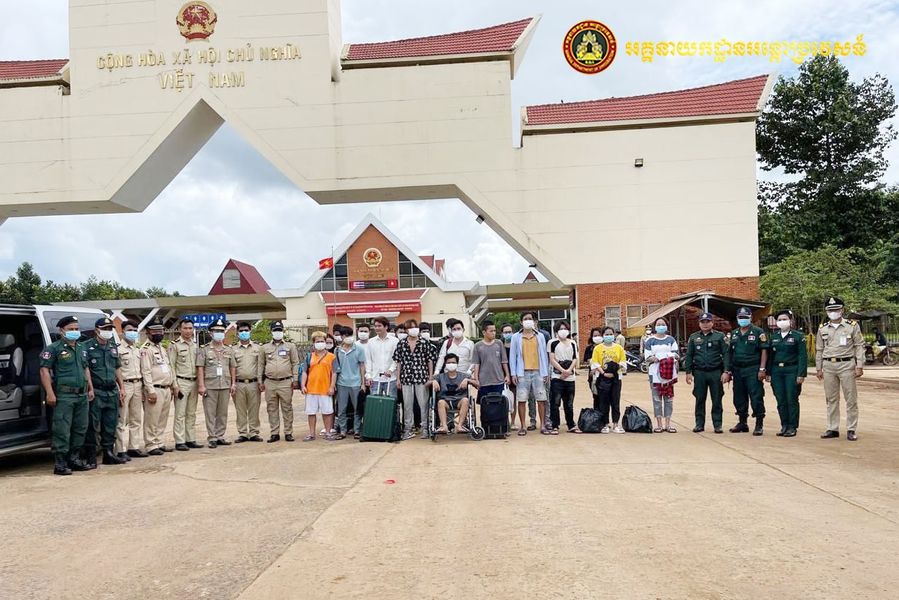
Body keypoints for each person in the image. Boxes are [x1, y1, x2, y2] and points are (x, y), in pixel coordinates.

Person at [39, 315, 94, 475]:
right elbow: (44, 371)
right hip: (64, 396)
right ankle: (60, 463)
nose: (75, 332)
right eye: (71, 329)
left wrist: (90, 388)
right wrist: (50, 393)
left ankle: (74, 459)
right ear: (61, 330)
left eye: (77, 329)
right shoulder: (53, 349)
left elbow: (86, 369)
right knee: (62, 430)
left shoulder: (81, 348)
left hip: (82, 395)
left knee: (80, 428)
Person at [816, 296, 865, 441]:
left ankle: (851, 429)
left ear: (842, 310)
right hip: (829, 365)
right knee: (831, 399)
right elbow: (819, 349)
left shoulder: (852, 326)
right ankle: (832, 428)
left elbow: (859, 345)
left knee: (851, 398)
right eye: (830, 310)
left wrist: (860, 365)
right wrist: (819, 368)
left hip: (847, 365)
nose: (833, 312)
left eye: (836, 309)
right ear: (826, 312)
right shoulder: (823, 328)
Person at [82, 317, 125, 467]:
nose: (107, 331)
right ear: (96, 330)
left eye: (109, 329)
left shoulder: (112, 346)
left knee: (110, 424)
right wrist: (90, 389)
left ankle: (108, 453)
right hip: (97, 392)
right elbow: (85, 369)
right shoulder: (86, 347)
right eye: (105, 328)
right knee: (93, 426)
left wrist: (122, 387)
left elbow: (117, 368)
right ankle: (91, 457)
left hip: (111, 391)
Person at [683, 312, 730, 434]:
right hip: (699, 373)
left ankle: (717, 424)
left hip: (715, 372)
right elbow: (689, 355)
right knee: (699, 399)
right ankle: (699, 424)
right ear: (699, 323)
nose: (705, 324)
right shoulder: (693, 337)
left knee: (717, 399)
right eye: (702, 322)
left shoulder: (720, 336)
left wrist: (726, 371)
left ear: (712, 323)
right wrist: (688, 372)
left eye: (707, 322)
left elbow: (726, 354)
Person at [726, 307, 769, 435]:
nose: (743, 320)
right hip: (737, 370)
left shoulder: (758, 332)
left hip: (753, 368)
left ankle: (759, 423)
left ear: (750, 318)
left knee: (756, 396)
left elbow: (764, 350)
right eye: (740, 317)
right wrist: (728, 370)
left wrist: (762, 369)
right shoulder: (734, 333)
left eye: (745, 317)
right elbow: (729, 353)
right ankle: (742, 422)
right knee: (738, 396)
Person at [766, 309, 807, 438]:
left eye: (785, 319)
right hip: (777, 371)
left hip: (792, 370)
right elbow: (770, 357)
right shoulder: (774, 337)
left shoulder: (798, 336)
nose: (782, 322)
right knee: (780, 399)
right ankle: (784, 424)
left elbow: (802, 356)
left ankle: (792, 426)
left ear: (791, 321)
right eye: (779, 320)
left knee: (791, 398)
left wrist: (801, 374)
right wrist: (768, 372)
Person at [197, 318, 236, 448]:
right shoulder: (204, 349)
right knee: (210, 413)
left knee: (222, 413)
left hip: (225, 384)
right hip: (210, 385)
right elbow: (200, 367)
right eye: (216, 331)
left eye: (221, 331)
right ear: (210, 333)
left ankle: (220, 436)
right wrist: (201, 385)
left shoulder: (228, 350)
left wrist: (233, 383)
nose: (219, 333)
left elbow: (232, 367)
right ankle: (212, 437)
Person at [508, 311, 549, 436]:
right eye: (525, 319)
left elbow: (544, 356)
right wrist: (514, 373)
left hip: (538, 372)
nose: (528, 321)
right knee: (521, 400)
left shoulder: (540, 336)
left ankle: (542, 425)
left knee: (541, 399)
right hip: (522, 373)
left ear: (534, 321)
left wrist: (546, 372)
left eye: (530, 318)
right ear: (521, 322)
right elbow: (513, 356)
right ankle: (523, 427)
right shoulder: (516, 337)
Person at [393, 319, 434, 440]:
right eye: (411, 328)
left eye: (415, 327)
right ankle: (408, 429)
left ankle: (425, 428)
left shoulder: (424, 342)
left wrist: (430, 376)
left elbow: (430, 360)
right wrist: (398, 378)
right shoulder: (401, 343)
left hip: (422, 376)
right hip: (406, 377)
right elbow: (399, 362)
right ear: (406, 330)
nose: (414, 330)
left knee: (423, 404)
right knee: (407, 404)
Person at [140, 318, 176, 455]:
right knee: (152, 419)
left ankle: (159, 442)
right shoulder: (146, 350)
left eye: (160, 330)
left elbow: (168, 367)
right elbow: (146, 371)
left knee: (162, 417)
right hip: (155, 388)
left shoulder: (162, 348)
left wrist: (172, 385)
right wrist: (150, 391)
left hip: (166, 388)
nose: (158, 333)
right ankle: (150, 444)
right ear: (148, 332)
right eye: (155, 331)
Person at [260, 321, 300, 443]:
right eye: (275, 330)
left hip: (285, 381)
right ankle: (274, 433)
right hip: (270, 382)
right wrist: (259, 381)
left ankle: (288, 432)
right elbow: (261, 365)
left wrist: (295, 379)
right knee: (272, 408)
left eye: (280, 330)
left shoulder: (290, 346)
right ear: (271, 332)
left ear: (283, 331)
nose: (278, 332)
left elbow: (295, 363)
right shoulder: (265, 347)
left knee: (287, 407)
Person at [168, 318, 202, 451]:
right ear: (180, 329)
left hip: (194, 382)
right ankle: (180, 441)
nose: (188, 331)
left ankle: (190, 439)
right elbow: (171, 366)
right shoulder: (174, 345)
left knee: (191, 413)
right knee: (180, 413)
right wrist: (175, 385)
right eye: (185, 328)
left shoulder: (195, 345)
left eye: (190, 328)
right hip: (181, 382)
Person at [115, 320, 146, 461]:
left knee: (136, 418)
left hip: (138, 385)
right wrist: (120, 388)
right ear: (122, 331)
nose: (132, 332)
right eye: (129, 330)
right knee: (122, 419)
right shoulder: (117, 349)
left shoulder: (137, 349)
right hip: (125, 386)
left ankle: (133, 447)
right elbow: (116, 370)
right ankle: (120, 450)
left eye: (135, 330)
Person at [644, 317, 679, 433]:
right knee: (657, 399)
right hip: (655, 373)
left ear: (667, 326)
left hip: (669, 373)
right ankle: (659, 424)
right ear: (655, 326)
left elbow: (676, 354)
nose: (661, 326)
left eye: (663, 324)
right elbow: (648, 357)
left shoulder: (671, 339)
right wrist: (657, 358)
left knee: (668, 399)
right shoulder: (650, 340)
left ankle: (668, 424)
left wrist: (665, 357)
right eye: (658, 324)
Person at [301, 331, 337, 441]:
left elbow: (334, 372)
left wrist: (332, 386)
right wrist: (303, 385)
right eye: (318, 341)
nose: (320, 343)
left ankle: (328, 432)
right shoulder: (309, 356)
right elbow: (304, 372)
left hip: (325, 389)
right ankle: (312, 433)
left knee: (327, 412)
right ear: (313, 343)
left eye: (322, 341)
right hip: (311, 389)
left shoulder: (332, 357)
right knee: (311, 412)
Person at [232, 321, 264, 443]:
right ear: (237, 333)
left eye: (246, 330)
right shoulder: (233, 349)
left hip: (254, 383)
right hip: (239, 383)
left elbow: (261, 366)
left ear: (250, 331)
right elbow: (232, 368)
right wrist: (233, 383)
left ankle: (254, 432)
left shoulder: (258, 348)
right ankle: (243, 433)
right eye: (241, 331)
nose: (244, 333)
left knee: (254, 408)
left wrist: (261, 382)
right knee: (240, 409)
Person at [591, 326, 626, 433]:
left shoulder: (619, 348)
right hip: (602, 378)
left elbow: (623, 362)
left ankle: (616, 424)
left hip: (616, 378)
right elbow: (595, 363)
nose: (609, 336)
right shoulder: (598, 348)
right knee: (603, 402)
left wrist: (615, 369)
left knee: (615, 401)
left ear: (614, 335)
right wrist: (604, 373)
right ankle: (605, 424)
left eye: (611, 334)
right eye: (606, 334)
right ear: (603, 336)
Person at [334, 326, 366, 439]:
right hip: (342, 383)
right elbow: (335, 368)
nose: (348, 338)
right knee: (341, 408)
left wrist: (363, 383)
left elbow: (362, 366)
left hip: (356, 383)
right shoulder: (337, 350)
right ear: (341, 336)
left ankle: (357, 430)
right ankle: (342, 430)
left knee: (357, 408)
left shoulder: (359, 349)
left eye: (350, 335)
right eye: (346, 335)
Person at [547, 320, 578, 434]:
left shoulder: (573, 343)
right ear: (556, 331)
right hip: (557, 377)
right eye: (561, 329)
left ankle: (571, 424)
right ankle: (555, 425)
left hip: (570, 377)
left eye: (565, 328)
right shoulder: (552, 342)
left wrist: (569, 370)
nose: (563, 331)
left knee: (569, 403)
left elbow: (575, 358)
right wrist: (562, 371)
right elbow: (552, 359)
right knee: (555, 402)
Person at [430, 353, 473, 433]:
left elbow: (477, 384)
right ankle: (444, 426)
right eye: (449, 363)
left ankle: (460, 426)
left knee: (465, 401)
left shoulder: (463, 376)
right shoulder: (440, 376)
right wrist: (434, 381)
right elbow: (426, 384)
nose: (451, 365)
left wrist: (468, 380)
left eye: (453, 363)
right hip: (445, 401)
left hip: (459, 401)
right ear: (445, 364)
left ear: (457, 364)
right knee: (440, 402)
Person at [471, 320, 510, 403]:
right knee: (485, 404)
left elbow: (504, 361)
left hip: (498, 380)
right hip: (484, 381)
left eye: (495, 331)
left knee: (499, 404)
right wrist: (476, 379)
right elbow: (476, 364)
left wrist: (507, 375)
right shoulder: (478, 346)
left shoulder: (499, 343)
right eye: (491, 331)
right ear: (484, 332)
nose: (494, 333)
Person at [365, 316, 399, 397]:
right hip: (375, 379)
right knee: (376, 406)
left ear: (386, 327)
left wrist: (390, 370)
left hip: (391, 379)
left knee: (391, 405)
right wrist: (369, 376)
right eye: (375, 326)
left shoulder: (395, 341)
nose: (377, 328)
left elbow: (396, 359)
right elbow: (368, 360)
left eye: (379, 326)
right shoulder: (370, 342)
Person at [583, 327, 603, 413]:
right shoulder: (589, 348)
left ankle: (605, 419)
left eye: (599, 335)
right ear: (591, 337)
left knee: (604, 398)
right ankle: (597, 417)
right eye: (595, 335)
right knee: (596, 396)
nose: (597, 337)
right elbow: (587, 360)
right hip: (593, 375)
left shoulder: (606, 347)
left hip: (604, 375)